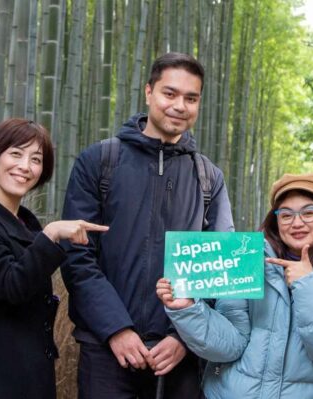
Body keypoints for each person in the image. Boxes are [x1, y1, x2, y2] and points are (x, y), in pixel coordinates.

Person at [61, 52, 234, 398]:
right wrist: (116, 330)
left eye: (191, 98)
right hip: (105, 348)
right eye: (170, 94)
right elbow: (77, 258)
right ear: (149, 92)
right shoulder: (99, 162)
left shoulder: (208, 178)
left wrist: (183, 336)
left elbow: (220, 268)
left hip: (178, 355)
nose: (179, 106)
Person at [0, 118, 108, 399]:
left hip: (25, 380)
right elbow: (11, 285)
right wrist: (51, 234)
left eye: (36, 159)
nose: (25, 166)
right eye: (16, 154)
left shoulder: (27, 227)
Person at [156, 173, 313, 399]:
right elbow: (229, 345)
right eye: (286, 215)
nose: (297, 223)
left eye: (308, 212)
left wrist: (309, 283)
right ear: (275, 220)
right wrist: (188, 310)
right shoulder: (248, 258)